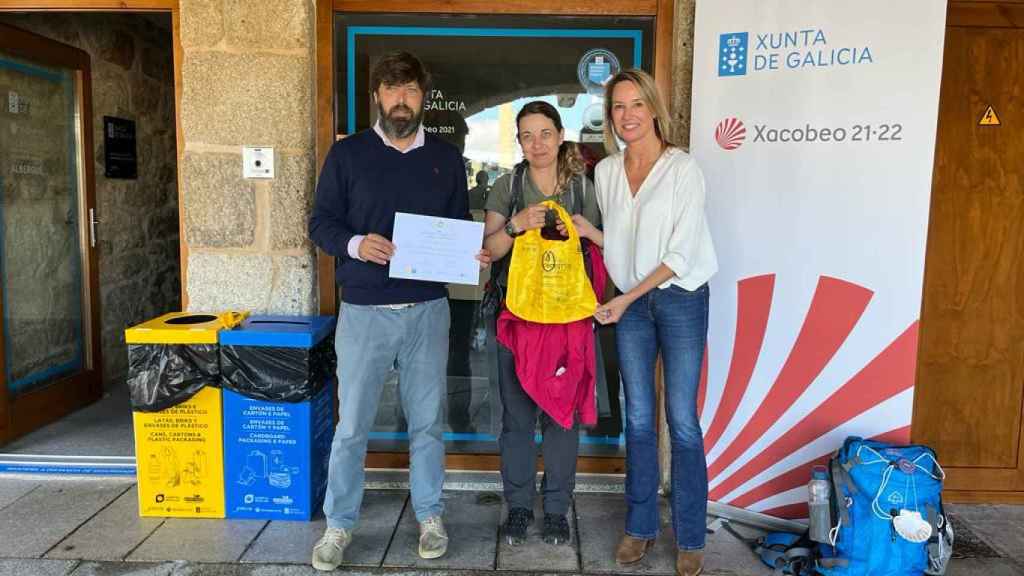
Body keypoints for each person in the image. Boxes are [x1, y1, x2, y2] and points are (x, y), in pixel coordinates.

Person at [308, 51, 489, 571]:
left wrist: (467, 251)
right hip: (364, 312)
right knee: (352, 428)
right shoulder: (348, 156)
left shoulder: (447, 159)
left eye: (410, 90)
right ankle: (339, 526)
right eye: (392, 91)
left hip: (428, 311)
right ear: (377, 97)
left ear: (423, 97)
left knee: (428, 424)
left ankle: (431, 514)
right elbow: (320, 223)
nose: (401, 100)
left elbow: (456, 225)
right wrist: (356, 243)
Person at [586, 69, 718, 576]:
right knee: (638, 418)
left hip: (679, 298)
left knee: (681, 420)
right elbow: (624, 244)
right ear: (610, 115)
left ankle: (689, 536)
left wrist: (623, 301)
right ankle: (639, 527)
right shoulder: (606, 172)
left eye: (637, 104)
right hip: (632, 303)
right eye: (619, 106)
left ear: (654, 108)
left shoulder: (683, 169)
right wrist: (593, 235)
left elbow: (681, 253)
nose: (628, 115)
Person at [482, 100, 602, 547]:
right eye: (527, 135)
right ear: (519, 141)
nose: (537, 144)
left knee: (561, 417)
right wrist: (516, 225)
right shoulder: (507, 185)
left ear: (560, 134)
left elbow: (606, 245)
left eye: (545, 133)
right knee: (516, 418)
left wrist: (583, 229)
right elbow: (490, 251)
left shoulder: (582, 188)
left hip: (567, 320)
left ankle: (555, 509)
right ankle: (517, 506)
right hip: (515, 320)